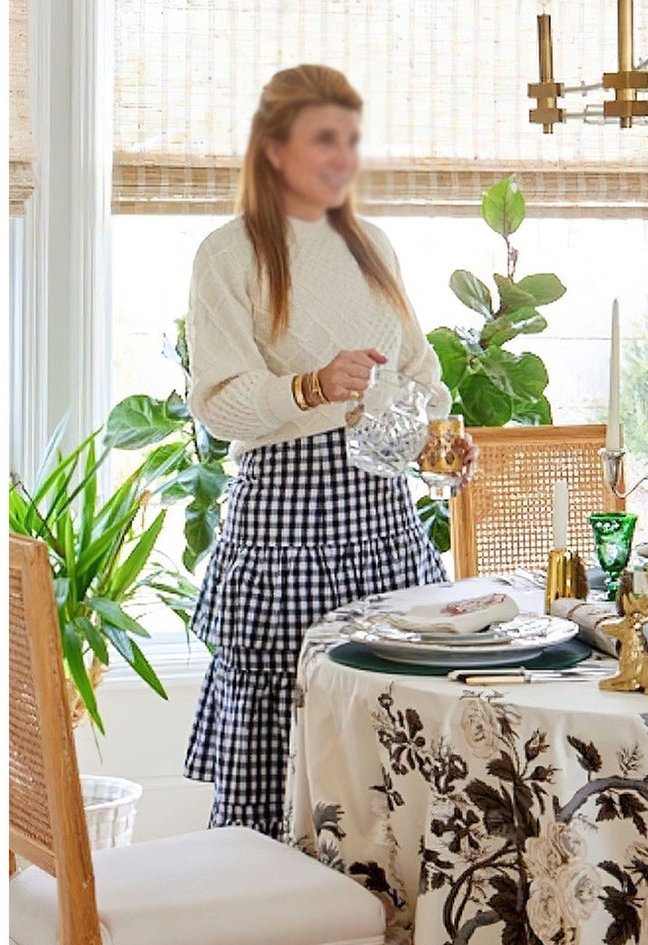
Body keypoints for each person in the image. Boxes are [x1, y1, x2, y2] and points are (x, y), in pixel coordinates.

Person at [183, 64, 449, 839]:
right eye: (323, 139)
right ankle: (274, 913)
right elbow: (218, 405)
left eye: (351, 140)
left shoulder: (373, 247)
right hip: (284, 528)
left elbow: (422, 380)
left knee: (396, 734)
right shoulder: (229, 254)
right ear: (273, 147)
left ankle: (378, 918)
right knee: (283, 746)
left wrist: (435, 440)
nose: (343, 157)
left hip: (384, 524)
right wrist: (311, 387)